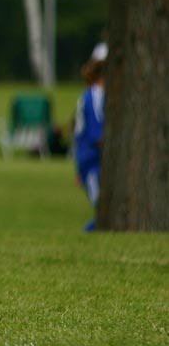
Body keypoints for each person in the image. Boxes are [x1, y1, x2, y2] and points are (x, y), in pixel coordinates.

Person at [73, 51, 106, 232]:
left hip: (91, 162)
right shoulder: (94, 96)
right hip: (92, 162)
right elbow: (96, 135)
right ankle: (84, 236)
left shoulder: (95, 95)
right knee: (104, 214)